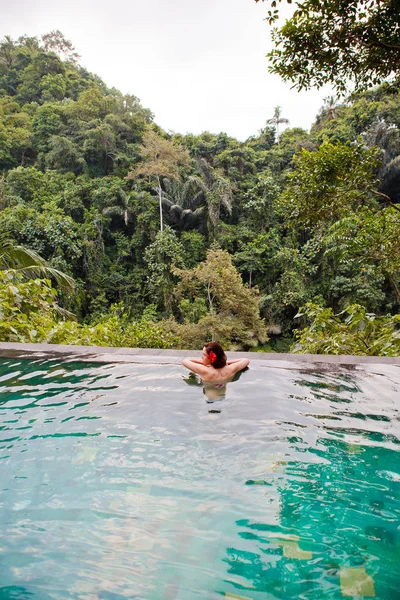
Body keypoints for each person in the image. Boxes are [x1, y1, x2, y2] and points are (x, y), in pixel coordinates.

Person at [182, 341, 249, 382]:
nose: (201, 357)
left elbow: (185, 361)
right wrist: (226, 363)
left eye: (204, 355)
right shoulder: (231, 369)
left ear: (212, 359)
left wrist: (202, 363)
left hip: (209, 400)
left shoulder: (204, 370)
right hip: (223, 397)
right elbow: (246, 360)